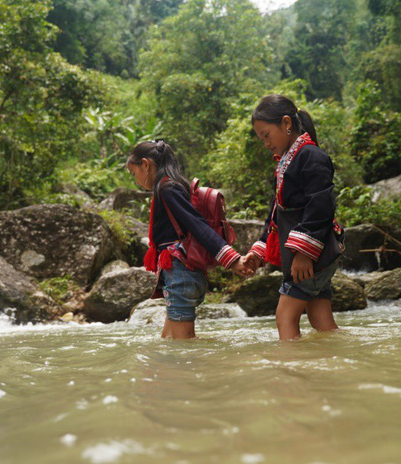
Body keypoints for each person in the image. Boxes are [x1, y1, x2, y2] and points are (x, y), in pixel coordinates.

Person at [126, 140, 253, 339]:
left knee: (183, 348)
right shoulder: (172, 185)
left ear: (145, 164)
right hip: (181, 274)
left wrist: (232, 259)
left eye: (134, 174)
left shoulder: (167, 188)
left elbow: (197, 225)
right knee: (168, 341)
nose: (136, 180)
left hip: (180, 274)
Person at [242, 94, 344, 341]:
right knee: (321, 319)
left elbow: (320, 206)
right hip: (315, 256)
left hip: (311, 256)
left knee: (285, 315)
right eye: (261, 138)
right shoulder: (288, 161)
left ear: (286, 123)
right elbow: (277, 213)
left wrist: (304, 253)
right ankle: (337, 365)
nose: (265, 143)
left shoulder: (312, 157)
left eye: (266, 135)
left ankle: (291, 369)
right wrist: (260, 249)